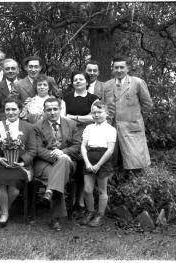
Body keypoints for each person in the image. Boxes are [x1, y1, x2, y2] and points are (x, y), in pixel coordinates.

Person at [0, 97, 36, 227]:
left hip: (19, 166)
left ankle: (3, 210)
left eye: (14, 109)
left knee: (14, 188)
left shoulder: (28, 127)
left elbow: (32, 150)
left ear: (20, 110)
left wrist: (23, 162)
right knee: (1, 184)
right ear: (4, 111)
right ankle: (5, 214)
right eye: (7, 109)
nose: (11, 112)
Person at [34, 98, 81, 231]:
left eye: (55, 109)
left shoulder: (71, 124)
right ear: (44, 111)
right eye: (49, 109)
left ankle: (49, 192)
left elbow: (77, 145)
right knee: (56, 178)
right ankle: (55, 220)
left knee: (64, 161)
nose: (52, 112)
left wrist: (62, 152)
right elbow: (37, 149)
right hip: (45, 163)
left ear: (60, 109)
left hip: (68, 162)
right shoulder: (37, 126)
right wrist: (55, 156)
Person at [60, 71, 99, 218]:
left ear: (87, 82)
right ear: (72, 82)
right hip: (70, 137)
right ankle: (72, 202)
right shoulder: (66, 98)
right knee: (73, 170)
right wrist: (82, 118)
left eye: (81, 79)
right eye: (75, 79)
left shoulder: (93, 98)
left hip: (88, 136)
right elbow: (62, 117)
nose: (77, 81)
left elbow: (94, 117)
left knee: (84, 170)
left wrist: (74, 117)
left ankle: (81, 203)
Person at [104, 56, 153, 174]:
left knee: (136, 163)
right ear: (113, 69)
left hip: (133, 129)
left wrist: (138, 119)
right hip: (112, 129)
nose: (119, 70)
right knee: (113, 162)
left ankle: (137, 188)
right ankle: (116, 188)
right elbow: (104, 106)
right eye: (116, 67)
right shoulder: (107, 85)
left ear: (127, 68)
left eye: (122, 67)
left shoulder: (137, 82)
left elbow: (147, 105)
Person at [80, 100, 116, 227]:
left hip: (103, 161)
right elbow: (83, 146)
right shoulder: (88, 128)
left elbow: (110, 149)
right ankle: (90, 212)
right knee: (87, 189)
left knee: (102, 190)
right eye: (94, 112)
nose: (96, 115)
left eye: (99, 112)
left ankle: (100, 215)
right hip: (89, 160)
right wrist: (87, 162)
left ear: (106, 113)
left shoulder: (111, 129)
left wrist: (99, 165)